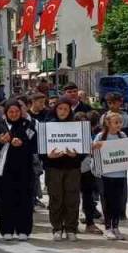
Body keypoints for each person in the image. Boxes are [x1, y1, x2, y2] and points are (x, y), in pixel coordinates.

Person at [0, 101, 38, 241]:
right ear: (6, 113)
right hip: (4, 171)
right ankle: (6, 229)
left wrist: (22, 143)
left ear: (20, 112)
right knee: (5, 200)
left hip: (24, 170)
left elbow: (34, 145)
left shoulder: (27, 125)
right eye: (11, 112)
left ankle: (23, 230)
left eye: (16, 111)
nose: (14, 114)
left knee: (24, 199)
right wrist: (1, 142)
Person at [44, 100, 83, 241]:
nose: (63, 111)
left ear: (70, 110)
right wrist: (48, 156)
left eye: (66, 109)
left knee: (72, 199)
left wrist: (76, 155)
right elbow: (41, 150)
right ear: (55, 110)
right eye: (60, 108)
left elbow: (84, 150)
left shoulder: (76, 126)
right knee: (56, 199)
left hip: (72, 168)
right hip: (54, 168)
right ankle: (57, 228)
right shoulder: (48, 126)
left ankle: (71, 228)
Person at [91, 112, 128, 240]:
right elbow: (92, 150)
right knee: (107, 202)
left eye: (120, 122)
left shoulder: (122, 135)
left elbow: (127, 151)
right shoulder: (100, 136)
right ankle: (108, 228)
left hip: (120, 174)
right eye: (116, 122)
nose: (119, 125)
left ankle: (116, 227)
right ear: (108, 123)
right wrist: (95, 147)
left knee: (117, 202)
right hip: (105, 175)